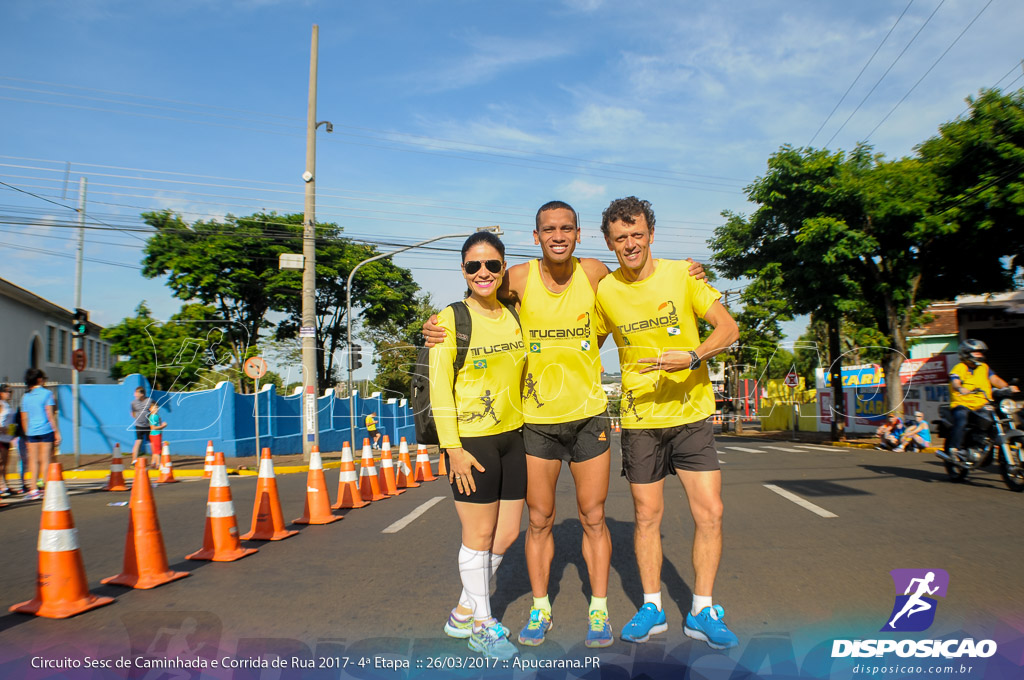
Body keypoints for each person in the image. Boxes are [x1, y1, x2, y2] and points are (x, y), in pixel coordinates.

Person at [424, 200, 706, 648]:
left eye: (567, 228)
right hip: (535, 424)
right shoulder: (515, 278)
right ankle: (540, 608)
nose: (558, 235)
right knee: (539, 521)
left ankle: (599, 610)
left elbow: (644, 280)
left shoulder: (594, 272)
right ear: (535, 237)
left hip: (588, 416)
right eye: (548, 229)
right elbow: (477, 305)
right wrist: (438, 327)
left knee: (594, 518)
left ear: (578, 234)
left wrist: (689, 271)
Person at [593, 196, 740, 649]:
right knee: (645, 515)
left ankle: (701, 609)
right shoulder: (605, 292)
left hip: (691, 414)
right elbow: (583, 345)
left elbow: (728, 329)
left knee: (710, 512)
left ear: (651, 234)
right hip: (640, 420)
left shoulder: (682, 275)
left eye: (637, 234)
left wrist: (694, 355)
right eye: (621, 238)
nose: (631, 244)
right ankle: (652, 605)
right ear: (609, 242)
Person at [430, 231, 526, 660]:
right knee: (479, 535)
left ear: (503, 267)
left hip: (514, 436)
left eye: (491, 265)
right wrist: (452, 448)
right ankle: (483, 625)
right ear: (463, 271)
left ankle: (465, 609)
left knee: (505, 535)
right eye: (473, 266)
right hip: (472, 441)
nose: (483, 272)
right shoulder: (450, 319)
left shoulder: (514, 314)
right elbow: (439, 389)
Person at [945, 339, 1019, 461]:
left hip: (982, 404)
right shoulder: (959, 368)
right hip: (962, 404)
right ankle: (954, 449)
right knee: (961, 420)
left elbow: (995, 380)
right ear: (966, 353)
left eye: (981, 352)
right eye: (976, 352)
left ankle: (983, 443)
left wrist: (1007, 387)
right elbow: (955, 381)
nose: (980, 355)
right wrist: (960, 388)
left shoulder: (984, 367)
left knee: (996, 419)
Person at [19, 368, 61, 500]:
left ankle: (33, 489)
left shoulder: (26, 396)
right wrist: (57, 432)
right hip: (46, 430)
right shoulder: (47, 394)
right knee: (45, 460)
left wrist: (27, 434)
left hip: (31, 431)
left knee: (33, 460)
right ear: (39, 379)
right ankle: (45, 487)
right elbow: (50, 414)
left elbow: (24, 418)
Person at [131, 387, 154, 463]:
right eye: (135, 392)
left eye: (137, 393)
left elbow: (154, 409)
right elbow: (133, 413)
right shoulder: (134, 403)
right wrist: (138, 419)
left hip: (148, 426)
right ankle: (134, 461)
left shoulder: (149, 401)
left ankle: (155, 460)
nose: (135, 394)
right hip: (139, 426)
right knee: (138, 441)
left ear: (142, 394)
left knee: (152, 442)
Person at [0, 384, 14, 497]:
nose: (9, 393)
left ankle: (5, 485)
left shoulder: (7, 405)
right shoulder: (0, 404)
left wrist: (12, 433)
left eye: (10, 391)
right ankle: (2, 486)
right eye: (6, 391)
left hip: (7, 438)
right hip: (1, 438)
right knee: (1, 464)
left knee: (5, 464)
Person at [148, 401, 167, 466]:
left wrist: (161, 424)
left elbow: (158, 423)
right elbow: (153, 427)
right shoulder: (153, 417)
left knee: (155, 450)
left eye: (157, 407)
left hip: (156, 434)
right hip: (155, 435)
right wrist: (163, 426)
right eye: (154, 408)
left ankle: (153, 462)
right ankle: (158, 464)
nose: (156, 409)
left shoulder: (156, 415)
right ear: (150, 409)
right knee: (158, 451)